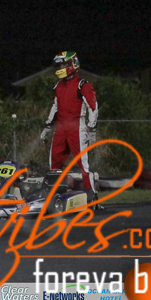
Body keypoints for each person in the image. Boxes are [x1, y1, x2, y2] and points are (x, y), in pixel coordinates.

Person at [40, 51, 99, 204]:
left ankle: (92, 196)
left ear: (73, 64)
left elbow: (93, 107)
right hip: (60, 128)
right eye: (59, 65)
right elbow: (55, 107)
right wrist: (47, 126)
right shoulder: (58, 85)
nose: (61, 68)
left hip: (77, 127)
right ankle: (53, 196)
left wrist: (92, 129)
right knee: (54, 163)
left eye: (63, 64)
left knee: (83, 164)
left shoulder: (83, 85)